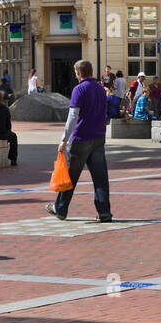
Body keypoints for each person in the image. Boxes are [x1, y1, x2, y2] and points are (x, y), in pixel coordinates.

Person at [47, 60, 112, 222]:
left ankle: (60, 209)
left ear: (79, 74)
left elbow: (73, 116)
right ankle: (104, 212)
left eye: (76, 73)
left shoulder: (79, 89)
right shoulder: (100, 89)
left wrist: (64, 139)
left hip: (81, 138)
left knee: (71, 176)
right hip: (98, 137)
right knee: (100, 177)